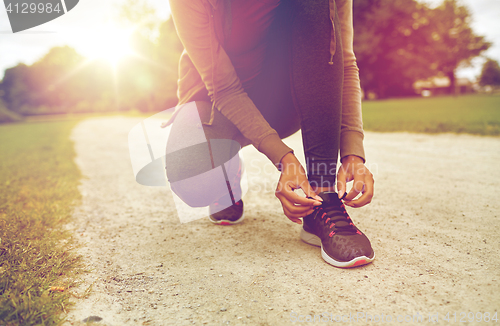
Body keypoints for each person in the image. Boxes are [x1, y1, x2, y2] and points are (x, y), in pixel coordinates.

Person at [165, 0, 375, 268]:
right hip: (218, 104)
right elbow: (224, 87)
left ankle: (322, 198)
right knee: (192, 178)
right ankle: (226, 171)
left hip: (285, 99)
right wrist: (284, 159)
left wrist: (353, 152)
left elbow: (341, 58)